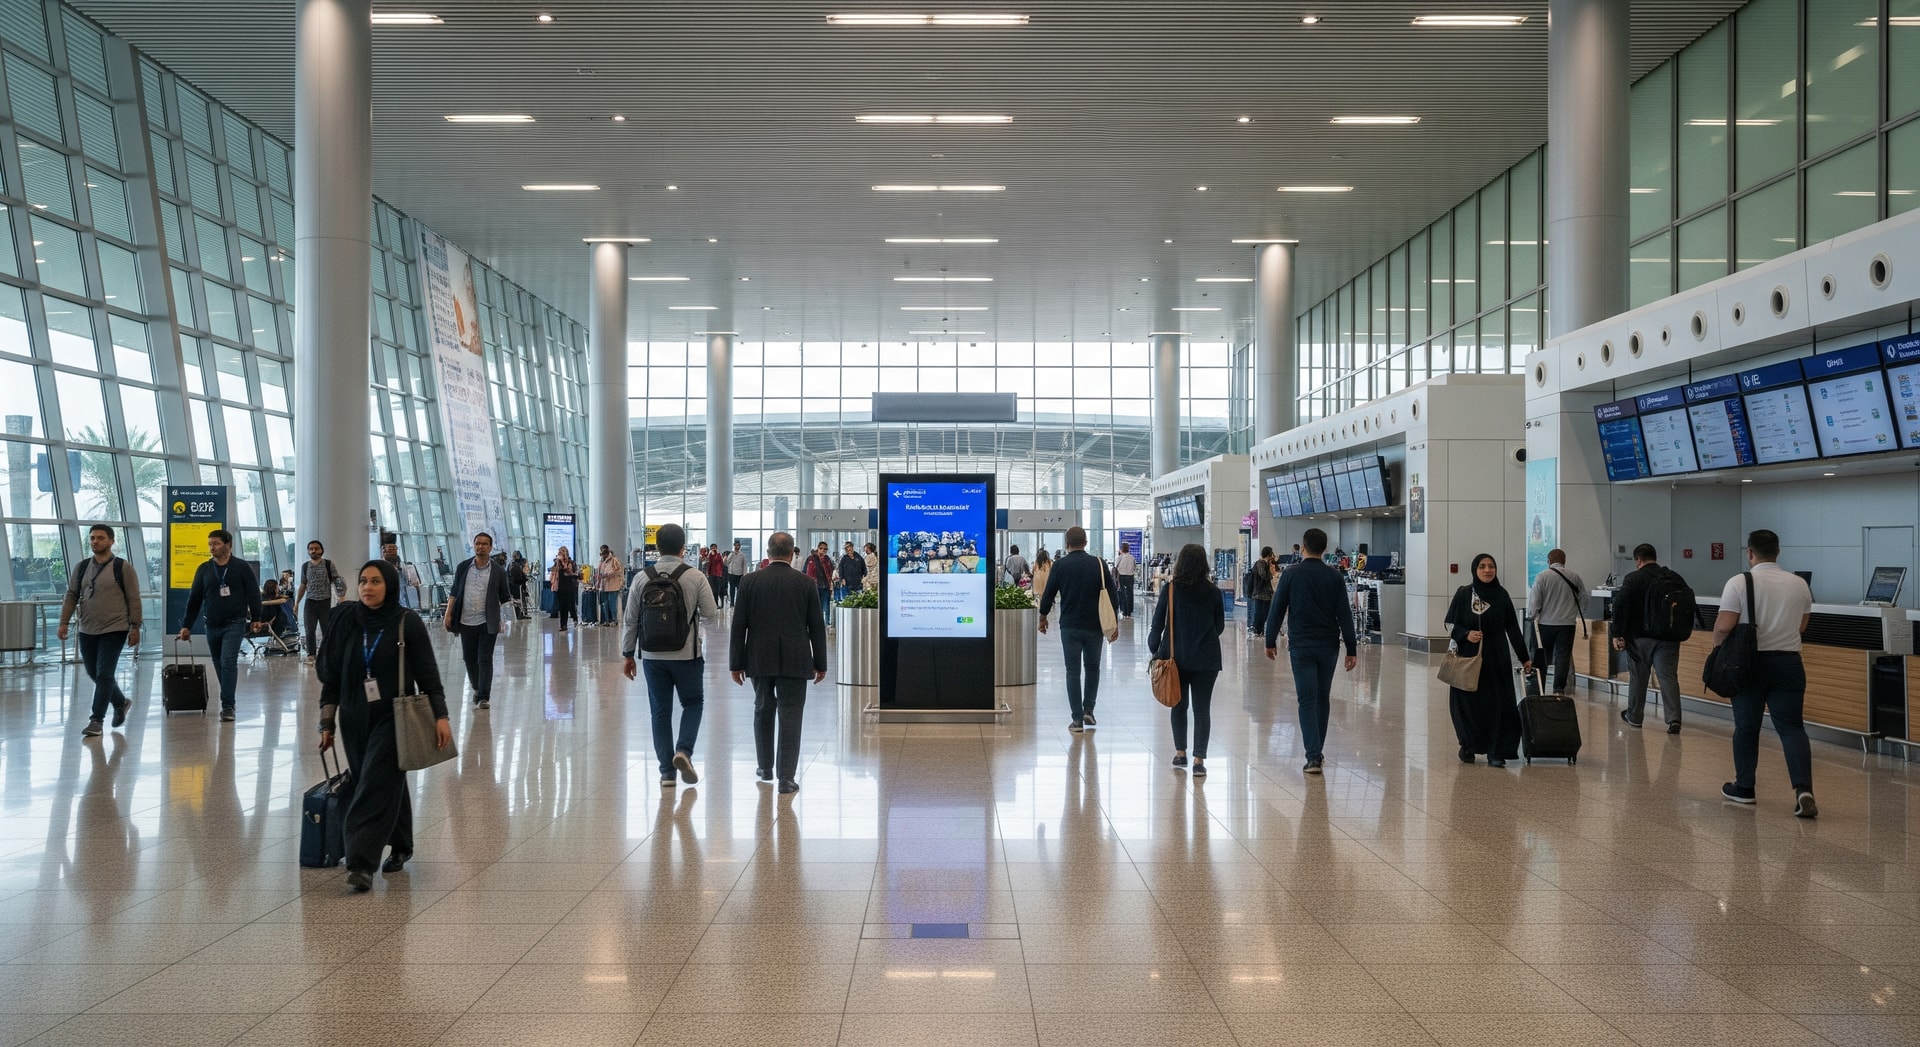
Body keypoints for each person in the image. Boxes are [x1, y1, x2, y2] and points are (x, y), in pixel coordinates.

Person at [316, 559, 450, 892]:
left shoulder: (407, 622)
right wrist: (326, 722)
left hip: (395, 714)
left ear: (389, 585)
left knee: (374, 782)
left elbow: (428, 674)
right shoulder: (346, 620)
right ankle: (401, 843)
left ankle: (361, 863)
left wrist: (441, 716)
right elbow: (332, 677)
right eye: (363, 581)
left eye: (376, 581)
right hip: (353, 714)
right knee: (380, 779)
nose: (368, 588)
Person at [1713, 529, 1817, 816]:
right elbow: (1802, 627)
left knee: (1747, 727)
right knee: (1792, 727)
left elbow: (1724, 625)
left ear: (1750, 553)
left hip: (1750, 665)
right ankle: (1803, 789)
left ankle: (1744, 788)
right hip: (1789, 664)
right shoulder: (1799, 585)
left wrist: (1718, 648)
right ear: (1778, 552)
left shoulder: (1739, 582)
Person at [729, 531, 827, 795]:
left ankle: (765, 767)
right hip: (796, 659)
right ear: (791, 552)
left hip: (759, 657)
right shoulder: (805, 583)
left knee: (762, 708)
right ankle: (786, 777)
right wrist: (821, 663)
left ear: (768, 552)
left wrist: (735, 663)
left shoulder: (749, 582)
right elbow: (816, 626)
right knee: (791, 714)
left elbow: (739, 626)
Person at [623, 524, 719, 787]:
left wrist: (627, 654)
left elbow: (630, 620)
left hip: (653, 656)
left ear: (656, 547)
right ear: (682, 547)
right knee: (693, 704)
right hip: (687, 654)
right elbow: (711, 614)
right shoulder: (695, 576)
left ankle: (667, 772)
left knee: (660, 712)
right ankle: (683, 751)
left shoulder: (642, 577)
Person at [1261, 529, 1358, 774]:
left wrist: (1269, 640)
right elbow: (1344, 615)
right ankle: (1316, 751)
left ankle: (1313, 756)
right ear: (1324, 549)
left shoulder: (1291, 575)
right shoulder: (1334, 577)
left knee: (1306, 698)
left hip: (1301, 645)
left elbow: (1277, 609)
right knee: (1322, 697)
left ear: (1302, 547)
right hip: (1328, 646)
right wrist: (1351, 648)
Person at [1444, 553, 1532, 767]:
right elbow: (1449, 624)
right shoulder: (1464, 594)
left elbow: (1512, 627)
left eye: (1491, 566)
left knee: (1499, 705)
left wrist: (1525, 658)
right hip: (1468, 660)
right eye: (1482, 566)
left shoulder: (1501, 595)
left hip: (1496, 659)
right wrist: (1466, 634)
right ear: (1475, 570)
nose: (1487, 570)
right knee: (1468, 706)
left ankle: (1497, 750)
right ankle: (1469, 745)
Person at [1149, 543, 1226, 777]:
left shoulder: (1171, 589)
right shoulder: (1213, 591)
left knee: (1179, 705)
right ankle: (1199, 759)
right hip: (1207, 659)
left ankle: (1180, 752)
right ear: (1204, 564)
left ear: (1180, 563)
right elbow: (1219, 626)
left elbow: (1157, 624)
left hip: (1176, 658)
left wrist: (1155, 650)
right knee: (1202, 709)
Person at [59, 524, 141, 738]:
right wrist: (64, 622)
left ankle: (96, 720)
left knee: (105, 673)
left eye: (100, 538)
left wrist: (135, 627)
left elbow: (133, 598)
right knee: (94, 673)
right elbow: (71, 595)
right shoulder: (82, 567)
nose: (95, 541)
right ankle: (120, 702)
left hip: (115, 628)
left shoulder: (122, 567)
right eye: (93, 538)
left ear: (111, 541)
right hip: (87, 628)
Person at [176, 528, 266, 722]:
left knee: (227, 662)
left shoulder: (241, 567)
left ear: (228, 545)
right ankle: (228, 700)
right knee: (218, 664)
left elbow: (253, 594)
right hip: (212, 624)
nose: (212, 548)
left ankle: (228, 705)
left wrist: (257, 617)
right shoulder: (204, 569)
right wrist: (186, 625)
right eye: (210, 544)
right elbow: (194, 599)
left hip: (235, 622)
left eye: (216, 543)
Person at [1037, 525, 1120, 733]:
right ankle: (1088, 710)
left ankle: (1076, 720)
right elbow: (1113, 596)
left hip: (1070, 626)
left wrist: (1043, 617)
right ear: (1085, 543)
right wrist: (1114, 623)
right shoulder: (1099, 564)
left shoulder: (1060, 565)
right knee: (1093, 668)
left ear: (1067, 544)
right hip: (1095, 626)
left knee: (1072, 672)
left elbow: (1048, 594)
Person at [1611, 543, 1685, 733]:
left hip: (1640, 638)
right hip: (1669, 638)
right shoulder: (1673, 577)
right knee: (1668, 677)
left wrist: (1617, 634)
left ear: (1638, 560)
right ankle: (1674, 719)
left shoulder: (1633, 579)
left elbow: (1620, 605)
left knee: (1638, 676)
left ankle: (1635, 717)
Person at [446, 533, 512, 710]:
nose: (480, 547)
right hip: (466, 620)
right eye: (477, 543)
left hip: (487, 621)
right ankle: (477, 686)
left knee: (484, 658)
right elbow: (454, 592)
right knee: (469, 658)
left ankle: (484, 696)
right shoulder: (463, 567)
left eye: (484, 544)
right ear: (473, 546)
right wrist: (448, 614)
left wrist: (503, 619)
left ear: (491, 547)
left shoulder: (498, 571)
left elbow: (505, 597)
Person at [1527, 548, 1586, 696]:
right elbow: (1584, 599)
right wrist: (1576, 613)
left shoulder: (1542, 576)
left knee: (1542, 657)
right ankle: (1558, 689)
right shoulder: (1575, 577)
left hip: (1545, 624)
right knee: (1563, 656)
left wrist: (1532, 615)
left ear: (1548, 561)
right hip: (1567, 624)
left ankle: (1538, 689)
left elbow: (1535, 601)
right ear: (1564, 561)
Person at [295, 540, 343, 664]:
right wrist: (297, 603)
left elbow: (337, 581)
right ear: (308, 551)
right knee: (309, 629)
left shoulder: (328, 564)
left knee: (326, 629)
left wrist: (341, 597)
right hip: (310, 602)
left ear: (321, 550)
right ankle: (311, 655)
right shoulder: (305, 566)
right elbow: (303, 585)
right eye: (311, 548)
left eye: (316, 548)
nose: (313, 551)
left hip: (325, 601)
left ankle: (327, 653)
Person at [804, 541, 837, 626]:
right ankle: (816, 623)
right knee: (815, 606)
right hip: (814, 585)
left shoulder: (827, 559)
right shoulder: (811, 558)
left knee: (826, 605)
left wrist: (832, 581)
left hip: (826, 585)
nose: (823, 550)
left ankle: (826, 623)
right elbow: (805, 571)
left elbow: (831, 571)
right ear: (818, 548)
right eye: (821, 548)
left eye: (825, 549)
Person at [1249, 546, 1278, 639]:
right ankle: (1257, 630)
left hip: (1265, 594)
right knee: (1259, 612)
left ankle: (1260, 630)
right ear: (1269, 554)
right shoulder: (1261, 563)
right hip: (1260, 593)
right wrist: (1270, 573)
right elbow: (1264, 575)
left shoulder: (1265, 563)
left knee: (1264, 613)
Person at [550, 546, 579, 630]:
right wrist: (556, 566)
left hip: (569, 586)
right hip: (560, 586)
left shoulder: (571, 562)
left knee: (570, 604)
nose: (561, 554)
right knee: (562, 606)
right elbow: (554, 571)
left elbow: (573, 573)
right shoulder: (557, 563)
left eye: (562, 552)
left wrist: (565, 569)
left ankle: (575, 618)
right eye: (559, 552)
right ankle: (563, 625)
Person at [597, 545, 626, 626]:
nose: (602, 554)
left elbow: (618, 570)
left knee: (612, 603)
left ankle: (614, 619)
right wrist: (598, 583)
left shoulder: (614, 560)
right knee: (605, 604)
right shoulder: (602, 562)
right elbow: (599, 574)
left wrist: (607, 575)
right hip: (604, 586)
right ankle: (607, 620)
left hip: (613, 586)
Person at [1115, 541, 1138, 618]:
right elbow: (1135, 567)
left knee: (1122, 593)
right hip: (1130, 577)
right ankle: (1130, 611)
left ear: (1121, 549)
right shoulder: (1132, 557)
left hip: (1121, 577)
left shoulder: (1119, 557)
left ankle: (1124, 610)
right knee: (1130, 594)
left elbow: (1115, 567)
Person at [725, 541, 749, 605]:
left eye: (738, 546)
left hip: (739, 574)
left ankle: (739, 603)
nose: (737, 547)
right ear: (734, 546)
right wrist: (731, 555)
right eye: (736, 545)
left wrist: (745, 574)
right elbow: (727, 563)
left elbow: (744, 565)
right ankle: (732, 603)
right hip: (732, 574)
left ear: (740, 546)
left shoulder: (742, 555)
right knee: (732, 589)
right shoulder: (731, 554)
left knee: (739, 590)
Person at [705, 543, 728, 608]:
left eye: (714, 547)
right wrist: (707, 573)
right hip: (711, 574)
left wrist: (716, 553)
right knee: (713, 590)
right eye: (712, 548)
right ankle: (715, 604)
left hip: (718, 574)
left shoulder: (718, 555)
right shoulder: (710, 555)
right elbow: (708, 563)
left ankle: (719, 604)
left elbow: (720, 563)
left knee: (718, 590)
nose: (713, 549)